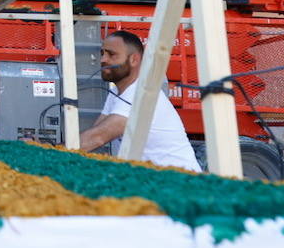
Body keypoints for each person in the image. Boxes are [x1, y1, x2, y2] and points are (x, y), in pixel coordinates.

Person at [79, 31, 200, 172]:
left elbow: (98, 137)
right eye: (102, 53)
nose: (103, 60)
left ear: (134, 60)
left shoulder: (139, 93)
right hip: (154, 179)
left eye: (111, 54)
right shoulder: (116, 92)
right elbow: (96, 132)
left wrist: (53, 153)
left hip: (181, 182)